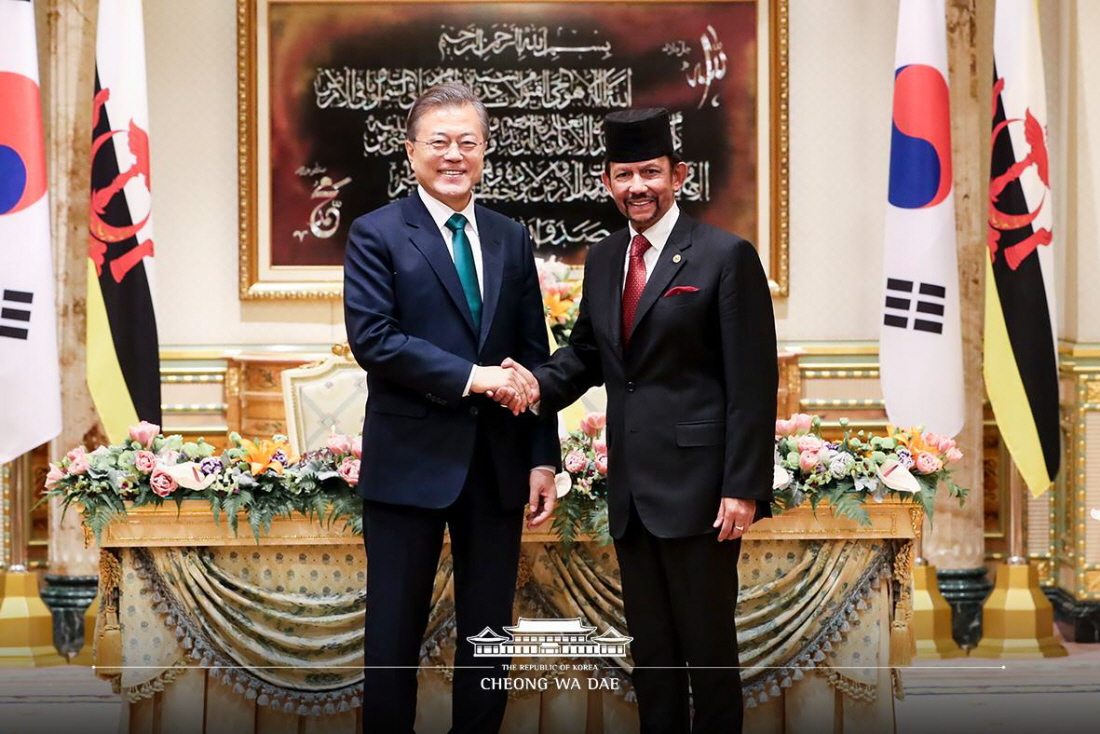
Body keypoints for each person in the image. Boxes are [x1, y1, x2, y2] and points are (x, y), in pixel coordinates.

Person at [503, 108, 778, 733]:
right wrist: (529, 385)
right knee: (651, 656)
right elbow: (588, 358)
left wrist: (742, 487)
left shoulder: (725, 256)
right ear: (607, 183)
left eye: (650, 172)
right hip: (632, 493)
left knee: (707, 654)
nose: (638, 186)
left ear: (678, 175)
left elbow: (753, 382)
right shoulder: (603, 260)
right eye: (624, 174)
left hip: (703, 494)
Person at [343, 82, 559, 733]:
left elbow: (531, 356)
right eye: (440, 142)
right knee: (391, 641)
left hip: (496, 468)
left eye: (468, 142)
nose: (454, 154)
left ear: (485, 151)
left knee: (489, 642)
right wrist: (475, 377)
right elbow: (374, 340)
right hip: (408, 465)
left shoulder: (509, 237)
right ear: (412, 153)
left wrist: (543, 460)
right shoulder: (375, 233)